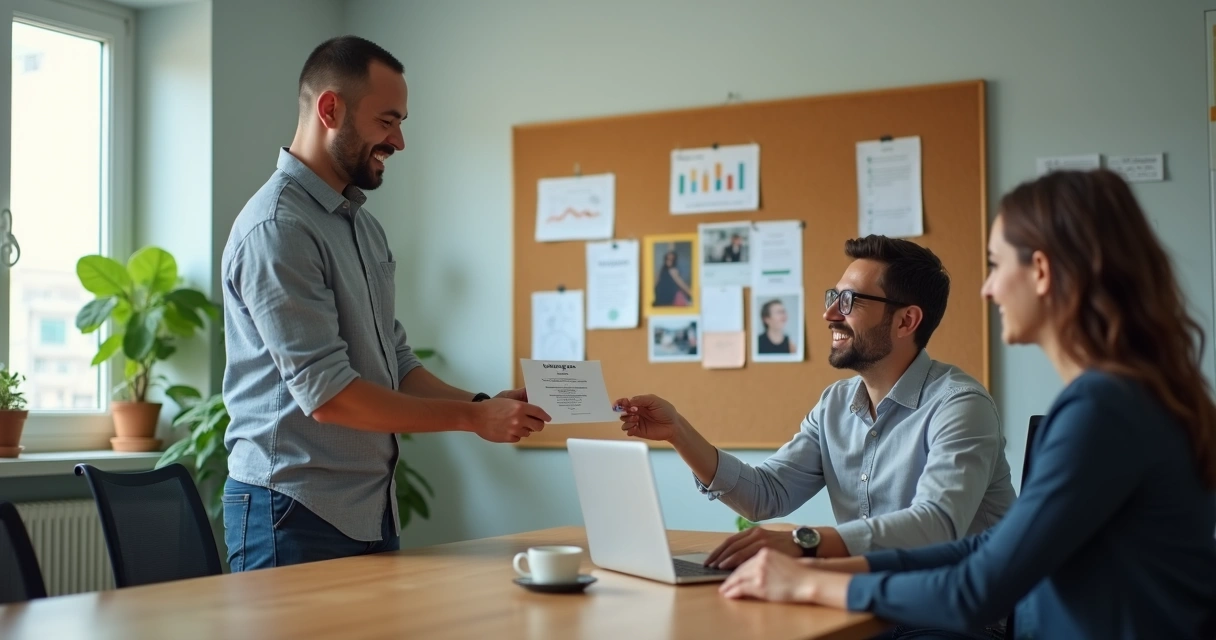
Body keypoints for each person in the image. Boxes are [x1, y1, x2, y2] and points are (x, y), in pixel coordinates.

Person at [718, 170, 1216, 640]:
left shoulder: (1103, 411)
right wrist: (823, 561)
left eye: (997, 265)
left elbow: (976, 590)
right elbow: (993, 549)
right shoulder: (1125, 398)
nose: (988, 288)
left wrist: (809, 581)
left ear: (1040, 271)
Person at [220, 36, 551, 571]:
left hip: (368, 510)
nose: (399, 140)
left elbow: (394, 362)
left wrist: (484, 404)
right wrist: (473, 421)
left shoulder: (363, 228)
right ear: (330, 109)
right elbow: (329, 396)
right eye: (387, 121)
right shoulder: (278, 229)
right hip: (290, 511)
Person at [617, 236, 1016, 578]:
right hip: (871, 601)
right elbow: (766, 495)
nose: (829, 314)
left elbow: (937, 524)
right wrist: (678, 433)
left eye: (848, 301)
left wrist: (805, 543)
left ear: (906, 320)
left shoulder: (960, 406)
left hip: (954, 617)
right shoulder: (835, 405)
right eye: (832, 297)